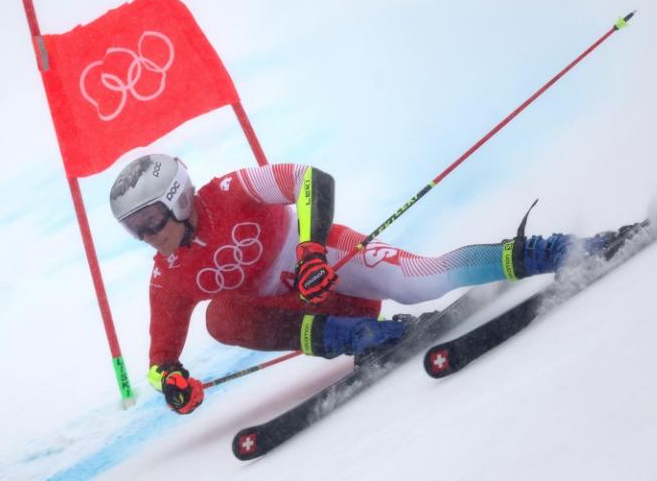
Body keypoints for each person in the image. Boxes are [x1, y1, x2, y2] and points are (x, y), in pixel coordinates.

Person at [110, 154, 622, 415]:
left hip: (329, 266)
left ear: (179, 198)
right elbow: (160, 365)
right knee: (220, 318)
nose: (149, 237)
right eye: (136, 230)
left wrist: (310, 248)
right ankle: (360, 339)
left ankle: (553, 250)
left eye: (152, 219)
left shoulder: (229, 191)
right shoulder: (168, 277)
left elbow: (312, 179)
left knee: (419, 281)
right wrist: (172, 386)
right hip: (326, 319)